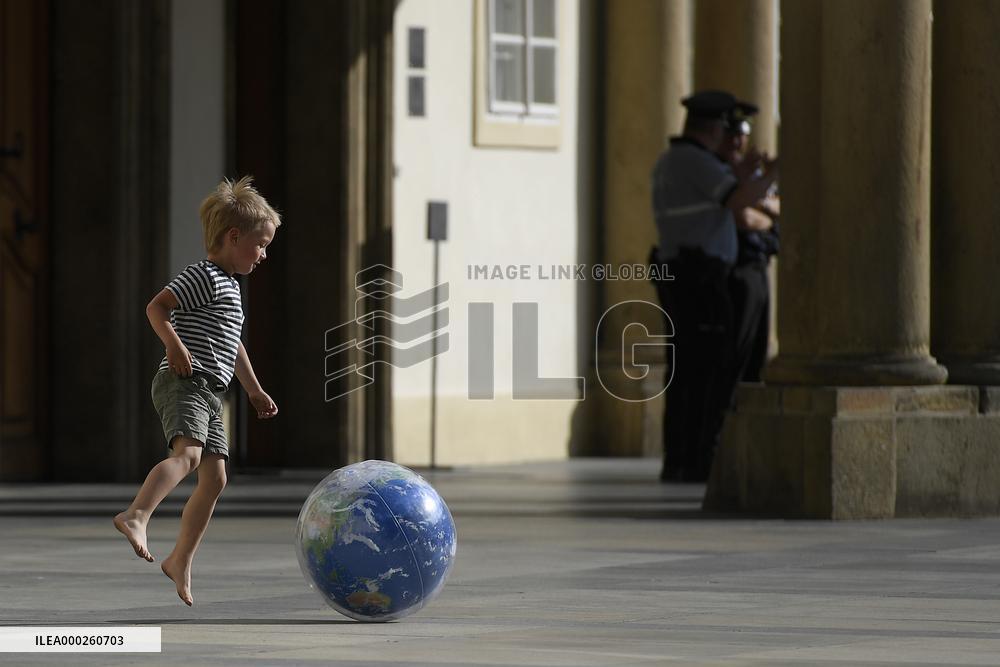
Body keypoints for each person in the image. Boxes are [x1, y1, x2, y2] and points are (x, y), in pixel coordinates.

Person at [114, 176, 280, 605]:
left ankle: (180, 559)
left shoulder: (231, 288)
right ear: (233, 236)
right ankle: (137, 514)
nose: (263, 255)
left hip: (211, 392)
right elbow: (157, 307)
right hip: (183, 382)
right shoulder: (204, 275)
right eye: (260, 245)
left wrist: (254, 390)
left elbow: (233, 343)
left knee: (216, 476)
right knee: (187, 458)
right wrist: (174, 345)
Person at [650, 90, 777, 482]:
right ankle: (698, 458)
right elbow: (740, 202)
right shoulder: (695, 161)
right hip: (699, 275)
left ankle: (683, 458)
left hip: (685, 270)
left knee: (689, 370)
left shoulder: (673, 160)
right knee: (704, 372)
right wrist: (775, 172)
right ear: (716, 128)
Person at [720, 106, 780, 385]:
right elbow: (741, 216)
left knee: (756, 350)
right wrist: (766, 214)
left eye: (742, 134)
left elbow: (779, 207)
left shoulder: (749, 173)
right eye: (732, 133)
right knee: (735, 352)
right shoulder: (720, 172)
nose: (738, 141)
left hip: (758, 262)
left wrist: (762, 203)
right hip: (737, 268)